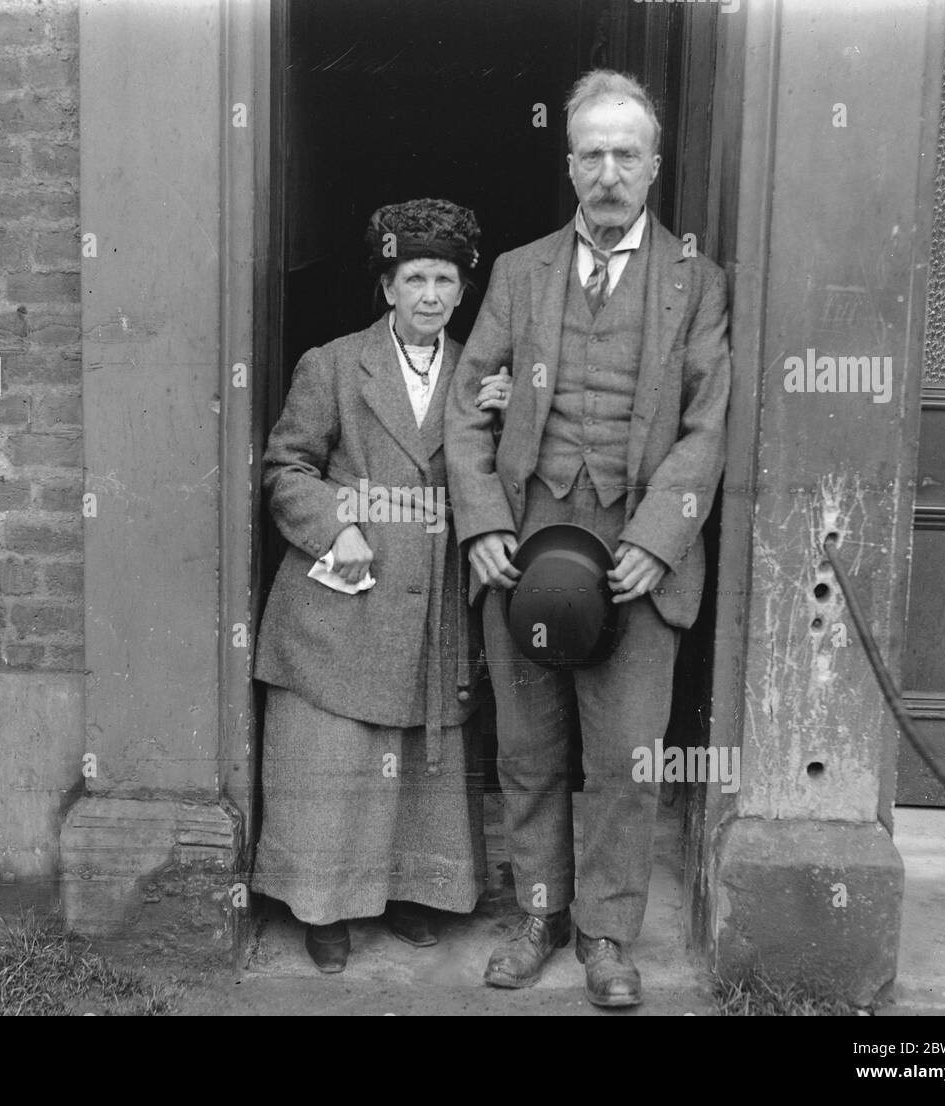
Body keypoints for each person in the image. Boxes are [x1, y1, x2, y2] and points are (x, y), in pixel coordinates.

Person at [445, 70, 731, 1007]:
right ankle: (538, 913)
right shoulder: (519, 274)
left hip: (639, 547)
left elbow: (706, 427)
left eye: (627, 155)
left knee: (623, 758)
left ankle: (607, 937)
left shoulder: (697, 283)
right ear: (570, 164)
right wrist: (484, 525)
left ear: (654, 166)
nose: (608, 173)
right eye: (592, 154)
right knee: (526, 747)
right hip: (527, 541)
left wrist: (658, 537)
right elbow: (465, 408)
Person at [251, 198, 487, 974]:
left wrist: (511, 419)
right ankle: (321, 904)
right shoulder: (333, 364)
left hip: (434, 596)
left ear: (462, 290)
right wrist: (332, 526)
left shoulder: (480, 376)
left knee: (422, 755)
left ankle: (411, 892)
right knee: (335, 754)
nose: (429, 294)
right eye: (413, 276)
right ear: (387, 286)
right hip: (343, 597)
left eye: (444, 279)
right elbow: (287, 468)